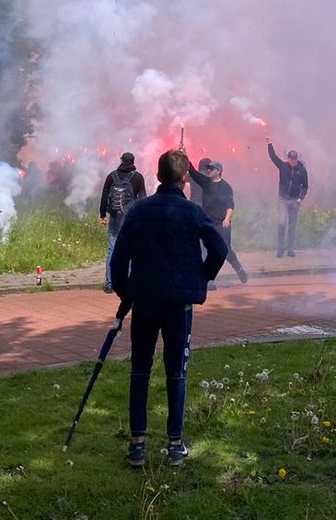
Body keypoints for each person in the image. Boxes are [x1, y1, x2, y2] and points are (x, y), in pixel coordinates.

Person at [110, 149, 228, 468]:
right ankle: (175, 443)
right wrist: (203, 275)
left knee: (140, 369)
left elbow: (118, 259)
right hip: (178, 305)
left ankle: (137, 444)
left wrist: (126, 292)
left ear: (158, 176)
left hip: (145, 300)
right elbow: (219, 247)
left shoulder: (139, 212)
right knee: (176, 372)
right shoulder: (192, 212)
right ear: (185, 178)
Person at [188, 159, 248, 288]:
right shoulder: (207, 183)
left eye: (212, 169)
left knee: (225, 250)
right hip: (208, 223)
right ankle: (210, 280)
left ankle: (238, 268)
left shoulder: (225, 187)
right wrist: (184, 155)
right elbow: (193, 172)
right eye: (208, 168)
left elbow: (230, 205)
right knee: (210, 250)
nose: (209, 171)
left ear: (219, 171)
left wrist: (227, 218)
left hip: (222, 223)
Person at [100, 152, 148, 293]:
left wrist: (103, 214)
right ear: (133, 161)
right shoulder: (138, 177)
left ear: (121, 161)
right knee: (132, 250)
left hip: (114, 217)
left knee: (112, 249)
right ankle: (129, 281)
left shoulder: (112, 176)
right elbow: (143, 199)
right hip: (131, 219)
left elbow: (104, 196)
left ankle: (109, 283)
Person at [266, 136, 308, 257]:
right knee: (281, 223)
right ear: (288, 158)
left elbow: (305, 186)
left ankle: (290, 249)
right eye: (291, 158)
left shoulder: (302, 170)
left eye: (294, 159)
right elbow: (273, 157)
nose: (292, 161)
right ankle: (280, 249)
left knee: (292, 225)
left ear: (297, 159)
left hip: (295, 200)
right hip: (283, 199)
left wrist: (301, 197)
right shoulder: (283, 166)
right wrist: (269, 144)